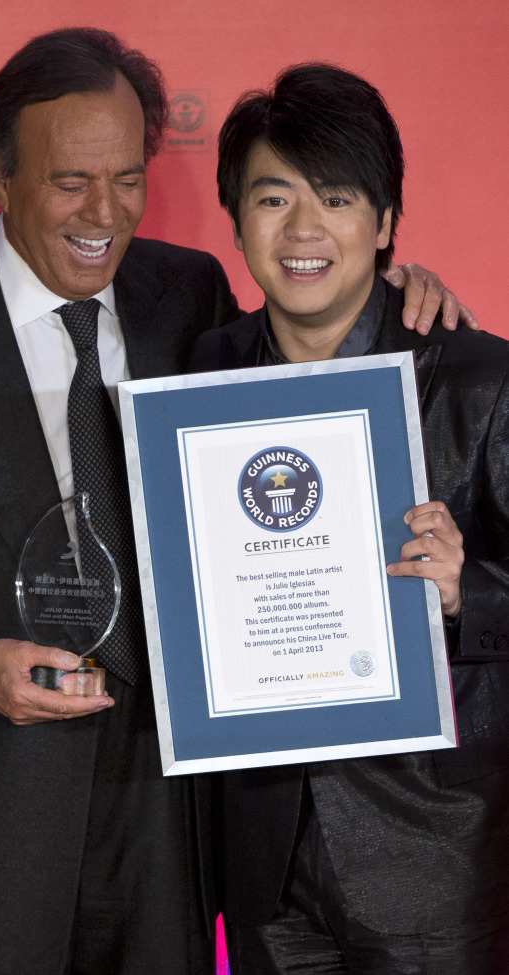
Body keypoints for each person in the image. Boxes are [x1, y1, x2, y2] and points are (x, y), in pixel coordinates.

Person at [0, 29, 471, 975]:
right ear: (0, 173)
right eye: (69, 181)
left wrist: (400, 289)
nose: (105, 212)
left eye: (128, 179)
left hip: (166, 798)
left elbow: (294, 377)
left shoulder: (183, 292)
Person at [189, 63, 509, 974]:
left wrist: (464, 591)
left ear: (385, 222)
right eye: (272, 198)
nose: (303, 232)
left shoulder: (481, 380)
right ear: (237, 220)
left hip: (435, 861)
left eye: (335, 198)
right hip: (264, 865)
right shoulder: (203, 372)